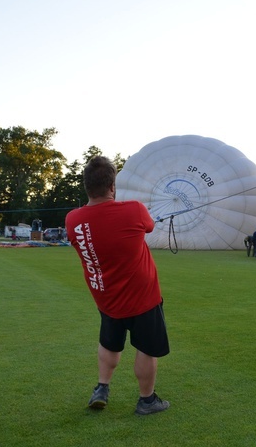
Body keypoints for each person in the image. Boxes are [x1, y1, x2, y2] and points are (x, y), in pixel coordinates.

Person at [65, 156, 170, 415]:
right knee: (146, 348)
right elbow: (148, 225)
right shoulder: (134, 209)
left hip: (106, 298)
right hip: (142, 297)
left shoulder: (72, 220)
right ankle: (147, 400)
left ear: (86, 187)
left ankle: (102, 388)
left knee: (109, 343)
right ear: (112, 186)